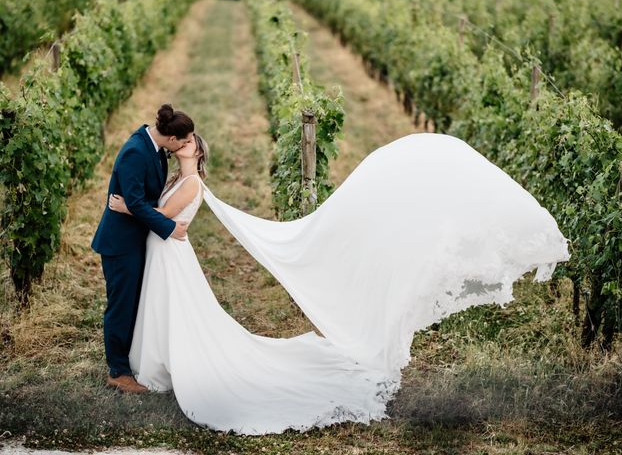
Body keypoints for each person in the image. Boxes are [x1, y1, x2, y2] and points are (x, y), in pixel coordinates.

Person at [109, 131, 570, 434]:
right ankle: (147, 363)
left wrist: (127, 208)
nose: (183, 145)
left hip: (172, 252)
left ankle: (154, 367)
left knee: (183, 315)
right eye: (182, 142)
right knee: (169, 312)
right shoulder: (175, 176)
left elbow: (163, 218)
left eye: (190, 143)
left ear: (199, 152)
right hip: (169, 255)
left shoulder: (191, 184)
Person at [91, 104, 194, 393]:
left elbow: (142, 202)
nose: (187, 145)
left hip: (136, 237)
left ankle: (131, 360)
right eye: (185, 141)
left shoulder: (156, 148)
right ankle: (118, 372)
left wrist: (133, 208)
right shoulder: (136, 151)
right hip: (120, 243)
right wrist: (170, 228)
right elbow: (135, 202)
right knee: (121, 306)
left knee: (134, 302)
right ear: (172, 139)